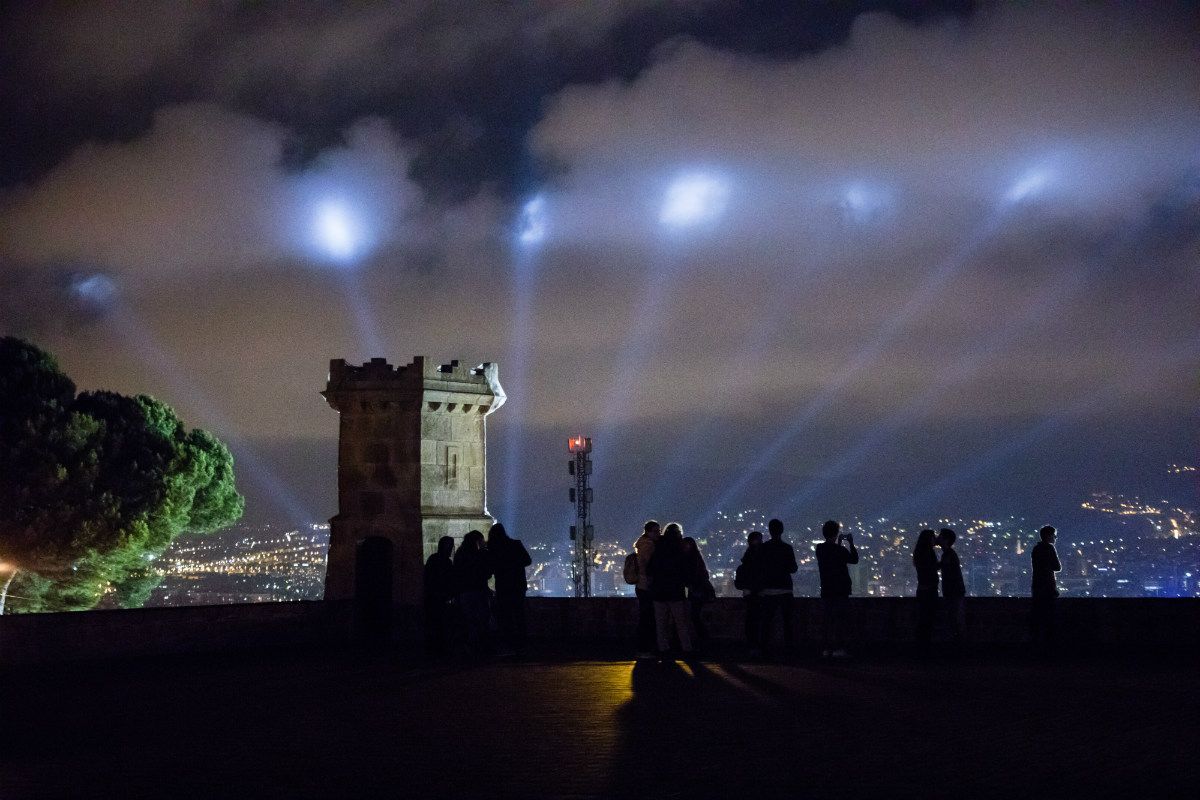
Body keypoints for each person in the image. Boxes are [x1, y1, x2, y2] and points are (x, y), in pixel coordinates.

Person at [647, 522, 694, 656]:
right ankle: (686, 648)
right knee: (681, 622)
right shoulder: (679, 551)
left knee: (661, 623)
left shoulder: (658, 549)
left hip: (659, 592)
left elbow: (650, 569)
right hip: (675, 592)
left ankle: (663, 648)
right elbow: (685, 571)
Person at [814, 519, 859, 658]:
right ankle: (839, 648)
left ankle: (826, 649)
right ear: (836, 533)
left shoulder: (820, 549)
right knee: (840, 620)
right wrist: (850, 543)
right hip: (841, 589)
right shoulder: (840, 550)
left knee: (827, 620)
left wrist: (838, 543)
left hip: (827, 589)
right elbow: (854, 559)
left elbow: (832, 553)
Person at [488, 522, 532, 653]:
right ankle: (521, 644)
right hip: (518, 585)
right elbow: (527, 560)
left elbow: (490, 567)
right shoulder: (515, 544)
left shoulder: (493, 548)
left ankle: (508, 643)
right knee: (519, 615)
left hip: (503, 586)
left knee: (505, 616)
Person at [757, 518, 798, 657]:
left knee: (766, 622)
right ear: (782, 531)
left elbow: (760, 568)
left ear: (770, 530)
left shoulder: (763, 548)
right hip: (785, 589)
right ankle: (789, 650)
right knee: (788, 622)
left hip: (768, 590)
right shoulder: (787, 548)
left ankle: (763, 650)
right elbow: (793, 568)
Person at [454, 529, 494, 655]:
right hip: (478, 591)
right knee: (482, 619)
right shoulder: (480, 554)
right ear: (478, 541)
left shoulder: (460, 553)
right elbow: (487, 573)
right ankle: (481, 647)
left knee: (469, 621)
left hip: (464, 592)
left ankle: (470, 647)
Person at [1030, 525, 1062, 652]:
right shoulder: (1049, 548)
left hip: (1037, 587)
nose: (1055, 538)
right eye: (1054, 535)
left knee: (1038, 619)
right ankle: (1050, 648)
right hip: (1048, 587)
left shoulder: (1036, 549)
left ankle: (1038, 647)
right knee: (1050, 619)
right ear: (1048, 536)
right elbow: (1057, 567)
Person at [423, 536, 456, 655]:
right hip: (439, 597)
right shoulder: (445, 562)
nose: (452, 549)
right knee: (440, 624)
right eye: (450, 546)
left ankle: (435, 649)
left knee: (436, 625)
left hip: (434, 597)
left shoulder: (433, 559)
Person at [633, 520, 661, 659]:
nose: (658, 534)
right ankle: (644, 649)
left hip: (642, 586)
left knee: (645, 618)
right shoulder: (648, 546)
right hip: (647, 586)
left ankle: (643, 648)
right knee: (647, 618)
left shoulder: (642, 544)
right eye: (656, 531)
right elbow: (648, 566)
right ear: (649, 532)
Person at [682, 536, 715, 649]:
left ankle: (703, 638)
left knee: (694, 616)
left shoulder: (691, 559)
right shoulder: (696, 558)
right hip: (697, 590)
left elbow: (694, 576)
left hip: (697, 590)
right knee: (695, 616)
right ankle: (703, 638)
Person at [735, 530, 765, 653]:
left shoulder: (748, 556)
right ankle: (756, 644)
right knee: (757, 619)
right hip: (759, 592)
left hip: (749, 593)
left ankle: (752, 644)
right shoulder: (760, 555)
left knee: (751, 619)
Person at [913, 529, 940, 652]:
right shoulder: (927, 553)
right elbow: (931, 569)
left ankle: (922, 647)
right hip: (928, 590)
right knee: (927, 620)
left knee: (923, 620)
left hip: (924, 589)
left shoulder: (920, 552)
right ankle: (925, 648)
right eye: (933, 538)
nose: (935, 540)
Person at [937, 528, 965, 644]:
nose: (938, 538)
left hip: (953, 592)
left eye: (940, 536)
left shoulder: (948, 555)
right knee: (954, 619)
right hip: (954, 592)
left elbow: (940, 567)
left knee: (954, 619)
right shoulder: (949, 554)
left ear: (946, 540)